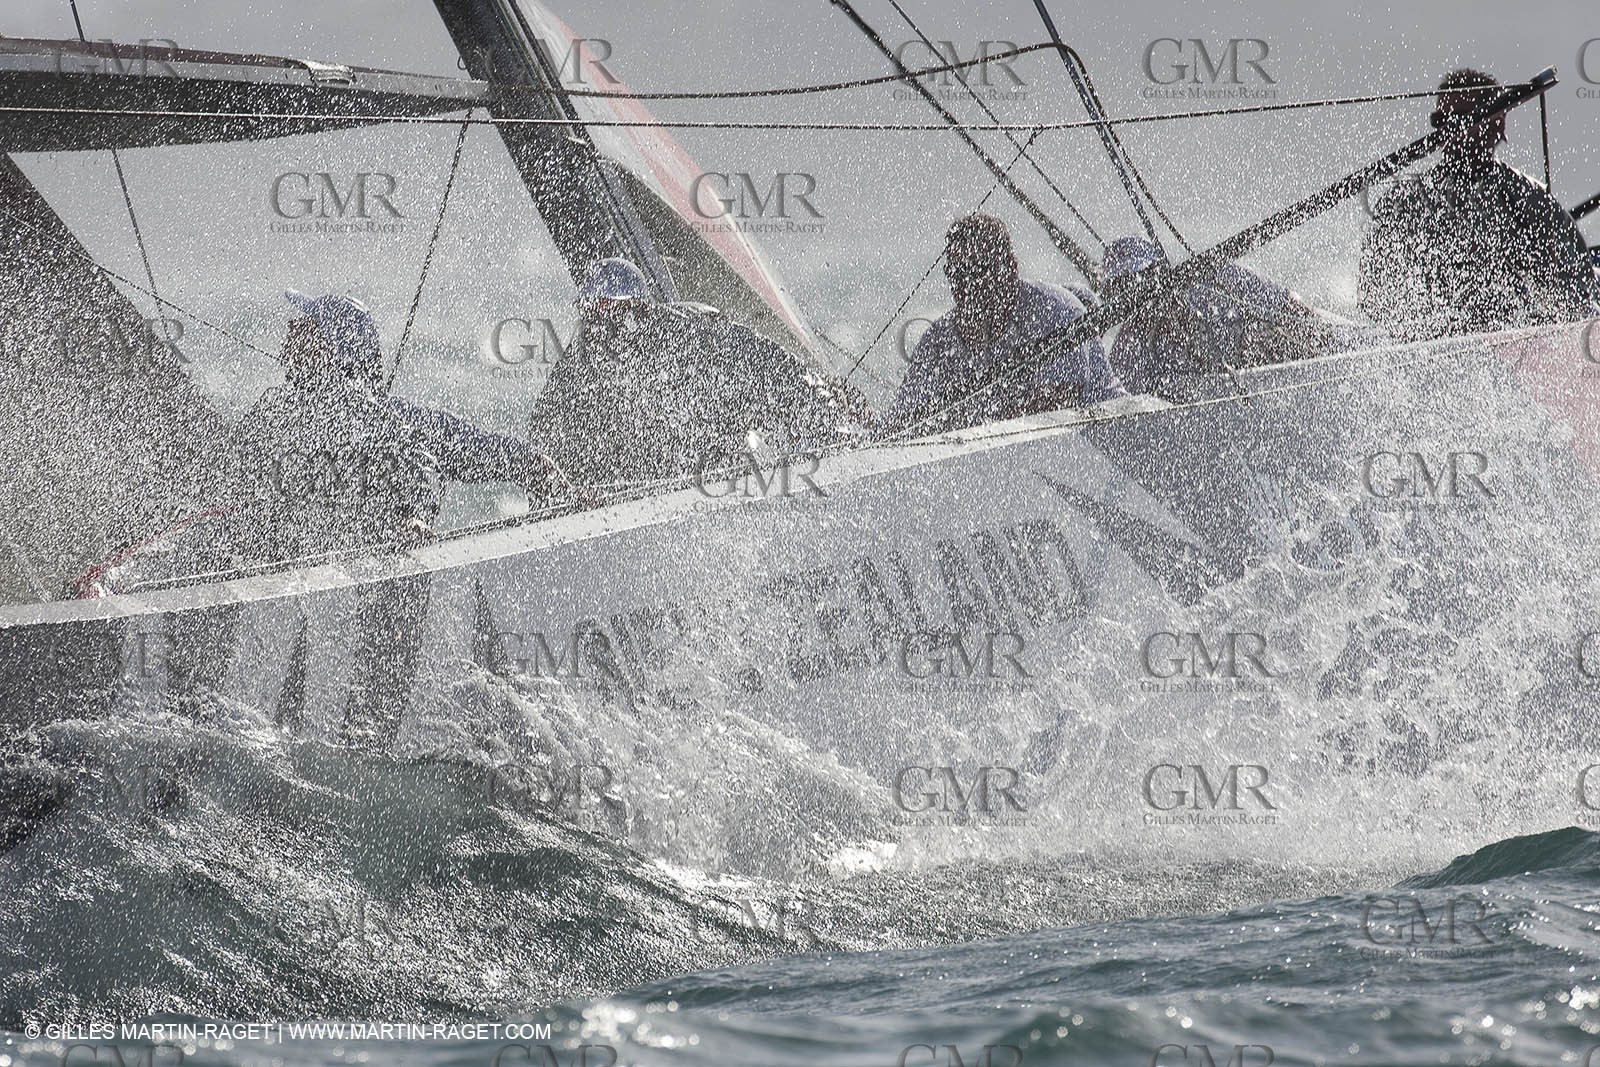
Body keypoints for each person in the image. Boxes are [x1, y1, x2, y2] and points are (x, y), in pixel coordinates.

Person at [232, 290, 567, 561]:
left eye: (305, 327)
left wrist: (415, 518)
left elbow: (437, 462)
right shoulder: (274, 411)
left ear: (332, 349)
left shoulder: (383, 419)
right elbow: (230, 474)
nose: (290, 331)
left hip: (356, 582)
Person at [527, 257, 862, 490]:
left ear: (640, 310)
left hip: (723, 471)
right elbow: (545, 430)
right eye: (592, 313)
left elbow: (773, 364)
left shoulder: (687, 330)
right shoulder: (581, 360)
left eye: (612, 312)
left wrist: (832, 416)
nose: (601, 326)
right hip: (641, 491)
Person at [1359, 68, 1600, 341]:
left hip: (1510, 346)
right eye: (1441, 121)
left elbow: (1579, 301)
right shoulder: (1403, 202)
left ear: (1499, 123)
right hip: (1426, 348)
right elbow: (1372, 298)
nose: (1449, 129)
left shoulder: (1532, 202)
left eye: (1461, 118)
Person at [886, 214, 1125, 432]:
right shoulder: (939, 339)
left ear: (1011, 267)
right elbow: (902, 421)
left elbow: (1055, 406)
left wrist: (954, 420)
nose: (967, 285)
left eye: (979, 270)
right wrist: (866, 427)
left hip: (1106, 441)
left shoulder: (1057, 311)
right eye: (957, 273)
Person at [1103, 235, 1342, 400]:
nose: (1136, 296)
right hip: (1215, 421)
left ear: (1160, 271)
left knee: (1258, 336)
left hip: (1284, 382)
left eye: (1141, 280)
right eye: (1121, 290)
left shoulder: (1211, 280)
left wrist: (1329, 342)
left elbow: (1285, 303)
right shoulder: (1126, 356)